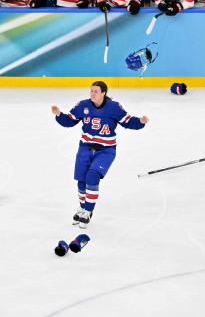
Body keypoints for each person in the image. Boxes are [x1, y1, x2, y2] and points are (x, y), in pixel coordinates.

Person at [51, 81, 148, 230]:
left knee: (92, 176)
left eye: (96, 91)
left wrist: (140, 122)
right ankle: (83, 208)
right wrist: (58, 114)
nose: (92, 94)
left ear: (103, 93)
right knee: (81, 181)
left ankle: (89, 211)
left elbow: (128, 122)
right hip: (85, 147)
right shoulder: (83, 105)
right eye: (91, 91)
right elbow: (69, 121)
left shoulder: (113, 107)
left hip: (106, 150)